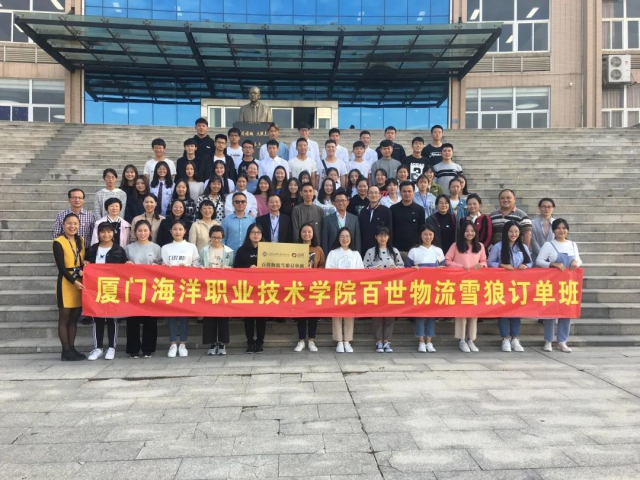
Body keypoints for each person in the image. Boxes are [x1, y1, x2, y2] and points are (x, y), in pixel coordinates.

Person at [536, 219, 582, 353]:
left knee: (566, 312)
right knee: (550, 312)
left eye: (564, 228)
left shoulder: (572, 244)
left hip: (568, 284)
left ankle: (562, 341)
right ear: (553, 231)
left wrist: (576, 262)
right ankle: (548, 340)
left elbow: (579, 260)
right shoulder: (549, 245)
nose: (561, 231)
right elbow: (539, 261)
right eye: (558, 228)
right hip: (552, 284)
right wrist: (552, 264)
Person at [488, 221, 533, 353]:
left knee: (516, 312)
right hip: (502, 284)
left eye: (516, 232)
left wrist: (526, 265)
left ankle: (515, 338)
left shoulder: (523, 247)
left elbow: (530, 262)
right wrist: (501, 265)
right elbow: (490, 262)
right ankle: (505, 338)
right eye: (511, 231)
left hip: (518, 285)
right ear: (506, 232)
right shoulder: (498, 246)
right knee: (503, 311)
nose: (514, 234)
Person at [85, 222, 128, 361]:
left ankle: (111, 347)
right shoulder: (92, 249)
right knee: (97, 317)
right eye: (103, 232)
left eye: (109, 231)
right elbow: (85, 265)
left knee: (111, 318)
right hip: (95, 288)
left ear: (113, 233)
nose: (106, 234)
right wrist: (85, 264)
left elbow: (125, 269)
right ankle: (98, 348)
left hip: (112, 288)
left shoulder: (119, 250)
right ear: (98, 234)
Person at [445, 220, 487, 353]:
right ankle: (461, 339)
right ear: (462, 232)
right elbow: (447, 261)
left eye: (472, 231)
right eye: (467, 231)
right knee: (461, 312)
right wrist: (460, 267)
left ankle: (471, 339)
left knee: (473, 313)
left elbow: (484, 261)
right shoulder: (455, 245)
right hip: (459, 283)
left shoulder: (480, 246)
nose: (470, 233)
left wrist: (482, 265)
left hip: (474, 284)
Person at [161, 219, 199, 358]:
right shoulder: (165, 248)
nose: (177, 232)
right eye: (175, 229)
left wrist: (188, 267)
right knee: (171, 316)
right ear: (171, 231)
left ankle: (183, 343)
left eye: (180, 229)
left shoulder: (191, 247)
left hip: (185, 285)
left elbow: (197, 264)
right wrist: (165, 267)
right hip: (170, 285)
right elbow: (161, 266)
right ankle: (172, 344)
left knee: (183, 316)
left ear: (185, 231)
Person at [194, 225, 234, 356]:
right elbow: (197, 263)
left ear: (223, 237)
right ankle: (211, 343)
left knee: (223, 316)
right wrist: (200, 267)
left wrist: (229, 269)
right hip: (208, 287)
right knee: (209, 316)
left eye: (219, 237)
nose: (216, 240)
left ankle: (222, 343)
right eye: (214, 237)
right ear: (210, 237)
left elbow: (234, 267)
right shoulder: (204, 250)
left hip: (223, 287)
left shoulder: (229, 251)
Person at [363, 225, 403, 353]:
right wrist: (374, 269)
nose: (383, 238)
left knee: (390, 314)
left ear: (388, 237)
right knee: (377, 315)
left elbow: (402, 267)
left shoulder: (394, 251)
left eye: (385, 235)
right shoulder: (370, 252)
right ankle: (378, 341)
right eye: (380, 235)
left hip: (391, 287)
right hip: (376, 288)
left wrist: (395, 268)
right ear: (376, 237)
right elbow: (363, 268)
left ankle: (387, 340)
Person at [125, 220, 161, 358]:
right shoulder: (129, 248)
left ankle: (148, 349)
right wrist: (127, 264)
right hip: (133, 288)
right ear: (135, 232)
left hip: (150, 289)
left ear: (150, 232)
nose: (142, 233)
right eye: (139, 231)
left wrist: (157, 267)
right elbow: (122, 267)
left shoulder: (156, 248)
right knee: (132, 320)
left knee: (150, 320)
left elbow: (162, 266)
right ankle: (133, 349)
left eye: (145, 230)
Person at [53, 213, 87, 361]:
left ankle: (72, 348)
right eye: (69, 223)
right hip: (66, 282)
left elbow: (82, 260)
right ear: (63, 225)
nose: (72, 226)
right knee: (64, 317)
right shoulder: (58, 242)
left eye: (75, 223)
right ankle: (65, 350)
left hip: (79, 281)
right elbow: (61, 267)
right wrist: (73, 281)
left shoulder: (81, 240)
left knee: (74, 317)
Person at [406, 224, 445, 353]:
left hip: (434, 287)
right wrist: (413, 269)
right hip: (419, 287)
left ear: (434, 235)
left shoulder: (438, 251)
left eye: (430, 234)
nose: (428, 237)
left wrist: (441, 269)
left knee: (431, 315)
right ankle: (421, 341)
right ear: (420, 235)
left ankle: (429, 341)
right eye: (425, 234)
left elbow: (445, 269)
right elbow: (406, 269)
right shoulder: (414, 251)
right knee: (420, 315)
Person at [325, 227, 363, 353]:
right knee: (336, 315)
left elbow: (361, 272)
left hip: (351, 288)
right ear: (338, 238)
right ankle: (339, 341)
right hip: (337, 288)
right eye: (342, 236)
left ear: (351, 238)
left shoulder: (355, 254)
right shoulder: (333, 253)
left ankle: (347, 341)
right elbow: (328, 271)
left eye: (347, 236)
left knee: (349, 315)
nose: (345, 239)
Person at [234, 224, 266, 353]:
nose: (256, 235)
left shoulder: (268, 249)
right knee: (249, 317)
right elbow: (236, 268)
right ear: (248, 234)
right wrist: (249, 267)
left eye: (258, 232)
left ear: (262, 235)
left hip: (263, 288)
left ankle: (260, 342)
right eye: (253, 232)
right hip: (247, 288)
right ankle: (250, 342)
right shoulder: (242, 250)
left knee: (261, 317)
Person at [294, 223, 325, 352]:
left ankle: (312, 340)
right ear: (300, 233)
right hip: (299, 286)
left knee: (313, 314)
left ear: (313, 234)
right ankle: (301, 340)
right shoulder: (294, 248)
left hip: (314, 286)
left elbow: (323, 266)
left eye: (309, 231)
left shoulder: (318, 250)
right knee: (300, 314)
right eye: (304, 231)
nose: (306, 234)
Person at [390, 181, 425, 259]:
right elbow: (390, 229)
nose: (407, 193)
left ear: (413, 192)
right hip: (396, 250)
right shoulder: (393, 209)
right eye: (404, 191)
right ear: (400, 193)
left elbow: (422, 230)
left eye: (409, 191)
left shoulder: (419, 210)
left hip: (415, 249)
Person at [321, 189, 361, 256]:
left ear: (347, 202)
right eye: (338, 201)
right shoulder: (327, 220)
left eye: (343, 200)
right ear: (333, 203)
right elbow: (325, 243)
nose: (340, 203)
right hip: (333, 256)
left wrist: (357, 256)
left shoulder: (354, 219)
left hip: (350, 256)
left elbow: (357, 241)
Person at [359, 185, 392, 256]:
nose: (373, 195)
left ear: (380, 195)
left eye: (376, 193)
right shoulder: (363, 211)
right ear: (367, 195)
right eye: (371, 193)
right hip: (365, 248)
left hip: (380, 248)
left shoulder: (386, 211)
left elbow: (389, 230)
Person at [531, 197, 556, 262]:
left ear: (553, 208)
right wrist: (542, 256)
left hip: (553, 258)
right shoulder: (532, 223)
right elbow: (533, 241)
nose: (546, 209)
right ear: (539, 207)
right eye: (544, 206)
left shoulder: (557, 223)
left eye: (549, 207)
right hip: (536, 257)